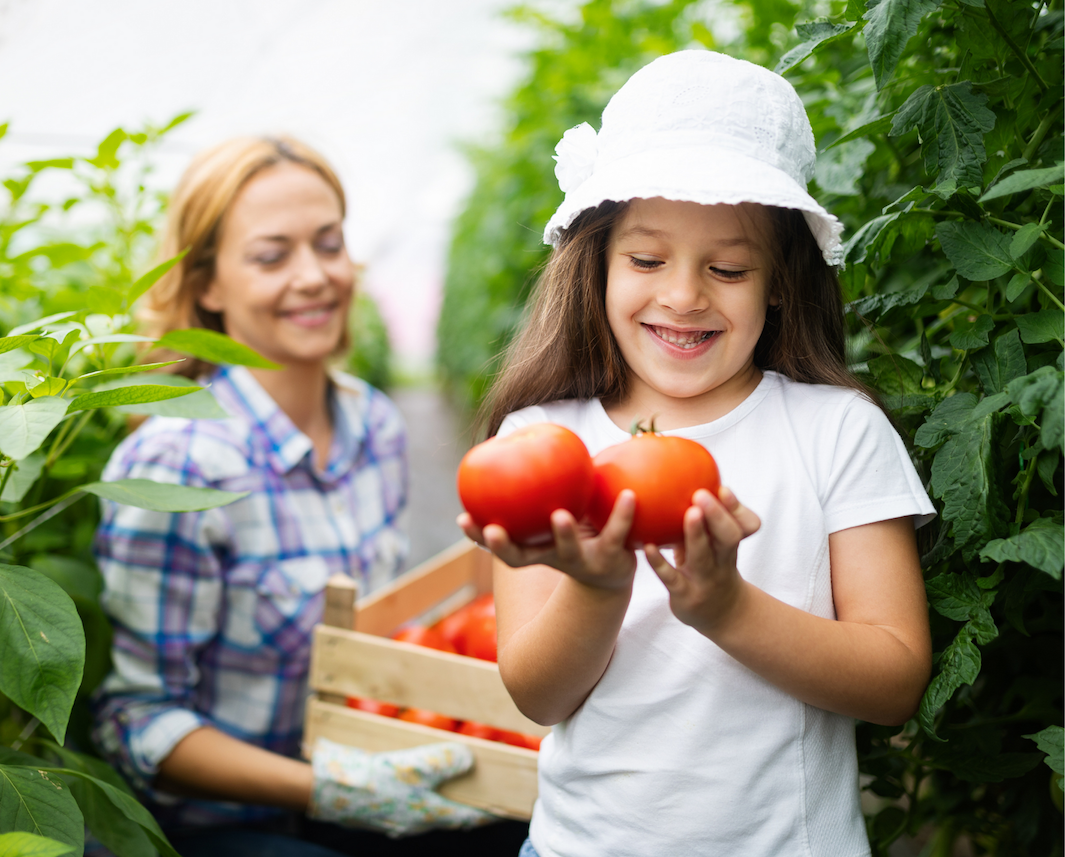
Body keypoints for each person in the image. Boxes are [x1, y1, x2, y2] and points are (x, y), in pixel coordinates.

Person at [457, 51, 936, 857]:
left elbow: (894, 680)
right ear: (598, 267)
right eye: (646, 260)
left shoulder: (837, 432)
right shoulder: (543, 440)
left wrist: (727, 607)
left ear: (780, 281)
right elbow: (538, 694)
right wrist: (600, 584)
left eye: (728, 268)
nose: (683, 295)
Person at [90, 136, 522, 857]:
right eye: (271, 256)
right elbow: (138, 720)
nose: (315, 275)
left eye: (329, 244)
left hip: (351, 787)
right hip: (223, 826)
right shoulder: (179, 464)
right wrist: (322, 785)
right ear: (207, 286)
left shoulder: (374, 424)